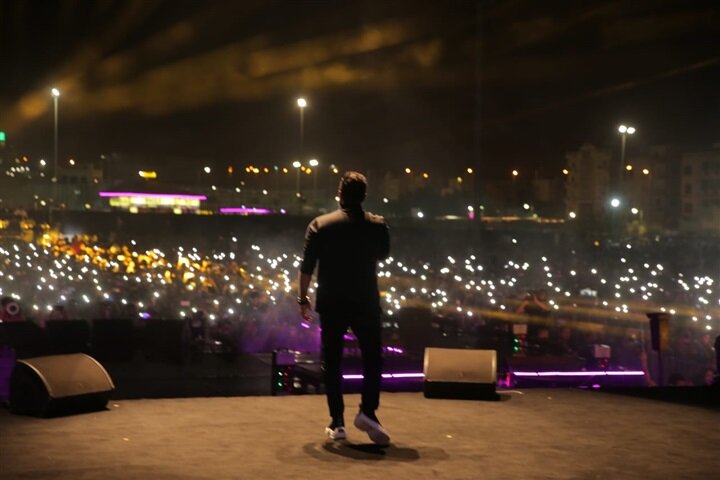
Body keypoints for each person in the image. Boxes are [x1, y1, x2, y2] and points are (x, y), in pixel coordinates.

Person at [298, 171, 391, 444]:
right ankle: (368, 412)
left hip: (332, 302)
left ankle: (337, 422)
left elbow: (306, 268)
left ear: (339, 195)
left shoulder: (319, 225)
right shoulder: (377, 224)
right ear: (364, 196)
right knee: (372, 358)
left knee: (333, 361)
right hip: (365, 301)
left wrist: (303, 299)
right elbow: (383, 255)